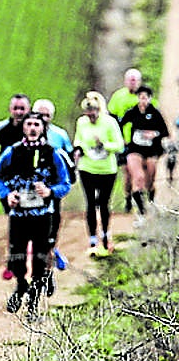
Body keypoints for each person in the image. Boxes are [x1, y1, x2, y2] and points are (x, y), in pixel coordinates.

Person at [0, 112, 72, 319]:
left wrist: (50, 192)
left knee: (40, 258)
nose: (33, 128)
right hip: (19, 215)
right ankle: (20, 286)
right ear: (24, 128)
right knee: (16, 255)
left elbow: (66, 183)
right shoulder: (12, 152)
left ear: (43, 128)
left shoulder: (53, 153)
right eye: (29, 124)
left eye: (37, 124)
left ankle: (33, 304)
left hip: (43, 215)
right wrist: (6, 195)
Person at [72, 91, 123, 256]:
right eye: (88, 113)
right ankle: (92, 239)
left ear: (98, 110)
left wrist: (104, 144)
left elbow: (119, 145)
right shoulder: (81, 123)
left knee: (103, 203)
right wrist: (78, 150)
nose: (91, 116)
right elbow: (78, 139)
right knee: (90, 204)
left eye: (93, 113)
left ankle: (106, 235)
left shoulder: (109, 123)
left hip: (107, 169)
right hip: (87, 168)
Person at [34, 98, 75, 271]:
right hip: (31, 187)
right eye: (40, 115)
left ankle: (50, 251)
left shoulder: (59, 135)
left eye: (47, 115)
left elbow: (69, 156)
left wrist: (69, 176)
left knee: (53, 220)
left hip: (52, 187)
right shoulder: (27, 132)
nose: (43, 118)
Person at [119, 85, 169, 217]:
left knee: (150, 180)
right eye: (141, 98)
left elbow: (165, 131)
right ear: (138, 99)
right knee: (138, 177)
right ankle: (141, 210)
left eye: (145, 98)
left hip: (151, 150)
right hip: (135, 149)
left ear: (150, 99)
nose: (143, 101)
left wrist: (155, 134)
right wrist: (122, 139)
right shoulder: (132, 112)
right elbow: (119, 124)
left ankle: (151, 200)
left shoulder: (155, 113)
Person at [108, 68, 151, 212]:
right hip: (124, 141)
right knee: (127, 171)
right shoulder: (118, 96)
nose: (132, 84)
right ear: (125, 81)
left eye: (135, 81)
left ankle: (140, 196)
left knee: (141, 171)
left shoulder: (144, 98)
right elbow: (112, 119)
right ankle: (128, 198)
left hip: (141, 142)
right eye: (130, 80)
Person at [0, 93, 31, 161]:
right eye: (15, 108)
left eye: (22, 109)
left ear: (29, 109)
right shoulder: (0, 127)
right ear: (9, 109)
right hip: (7, 168)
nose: (18, 112)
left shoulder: (36, 127)